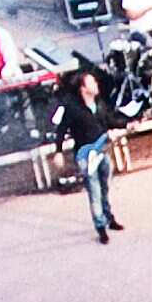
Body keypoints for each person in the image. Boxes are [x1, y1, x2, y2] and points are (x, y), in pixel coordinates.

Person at [61, 58, 125, 244]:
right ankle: (100, 226)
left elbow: (110, 121)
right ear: (83, 88)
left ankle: (108, 217)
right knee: (94, 191)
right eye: (92, 82)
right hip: (85, 155)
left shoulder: (99, 104)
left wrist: (127, 123)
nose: (96, 84)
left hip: (101, 151)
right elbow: (61, 130)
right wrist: (58, 151)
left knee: (105, 187)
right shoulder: (73, 109)